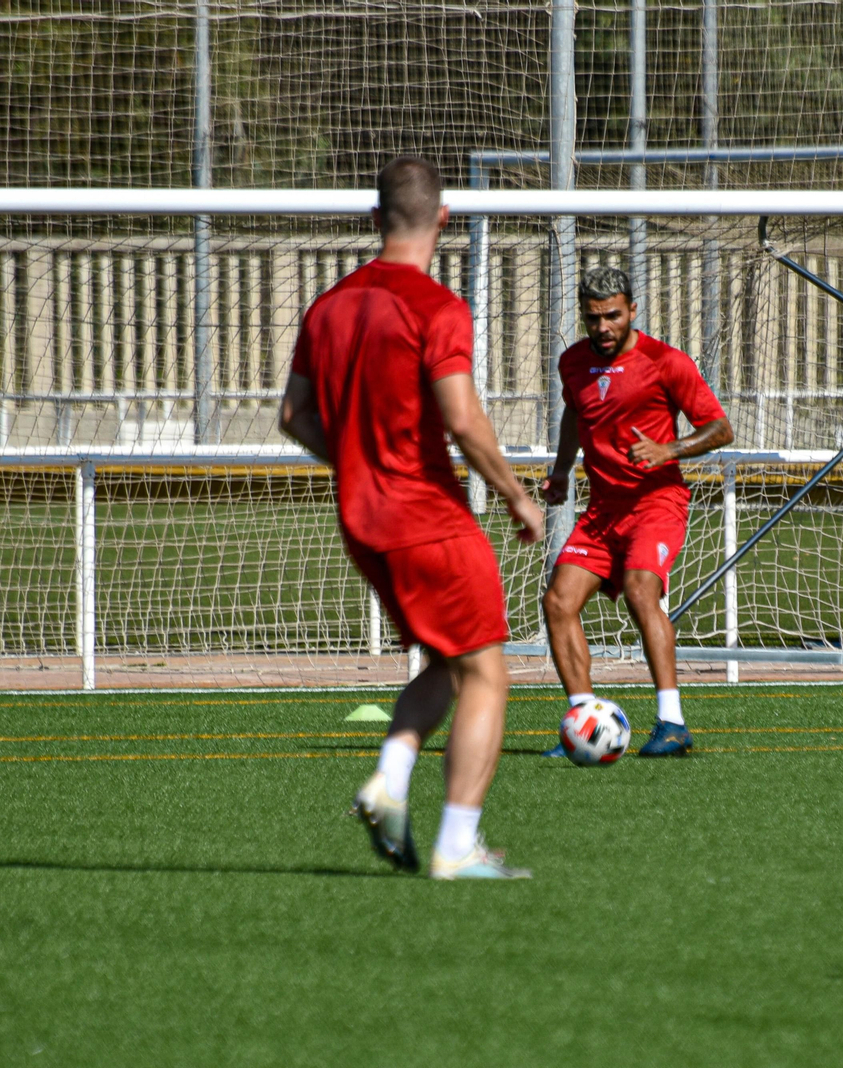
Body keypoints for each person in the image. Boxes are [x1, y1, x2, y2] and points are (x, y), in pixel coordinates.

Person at [280, 156, 543, 880]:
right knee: (489, 673)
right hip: (427, 516)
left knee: (447, 663)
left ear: (375, 221)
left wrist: (357, 462)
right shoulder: (436, 306)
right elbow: (461, 415)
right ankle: (458, 847)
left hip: (361, 523)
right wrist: (518, 496)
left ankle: (390, 782)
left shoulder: (328, 306)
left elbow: (292, 416)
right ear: (445, 221)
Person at [541, 266, 733, 758]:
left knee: (639, 590)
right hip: (603, 509)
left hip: (656, 502)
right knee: (558, 602)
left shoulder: (665, 362)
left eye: (612, 316)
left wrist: (670, 449)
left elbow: (719, 429)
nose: (602, 326)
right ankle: (584, 722)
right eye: (593, 318)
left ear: (631, 311)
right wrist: (562, 471)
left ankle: (672, 723)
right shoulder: (572, 363)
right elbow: (574, 414)